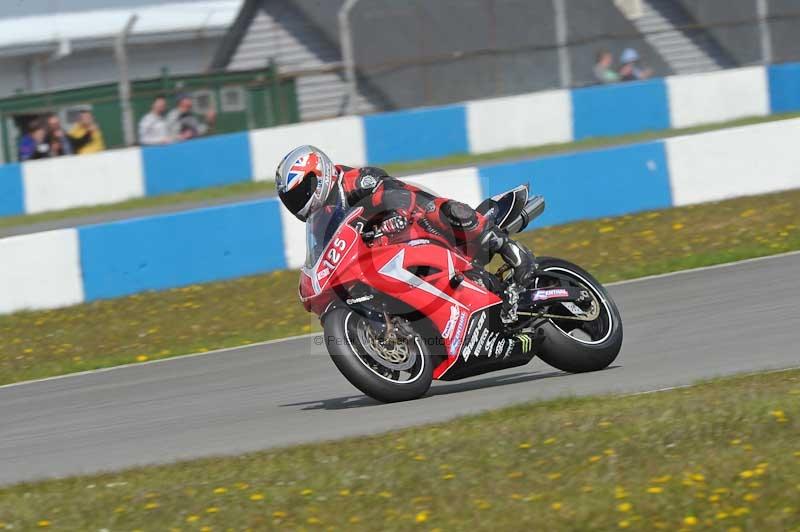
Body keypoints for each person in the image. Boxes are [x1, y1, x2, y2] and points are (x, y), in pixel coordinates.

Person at [274, 145, 537, 290]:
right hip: (389, 255)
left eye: (301, 193)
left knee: (441, 210)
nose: (298, 203)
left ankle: (510, 248)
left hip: (417, 225)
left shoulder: (356, 182)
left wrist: (396, 216)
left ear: (318, 175)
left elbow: (397, 195)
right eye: (291, 200)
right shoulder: (323, 218)